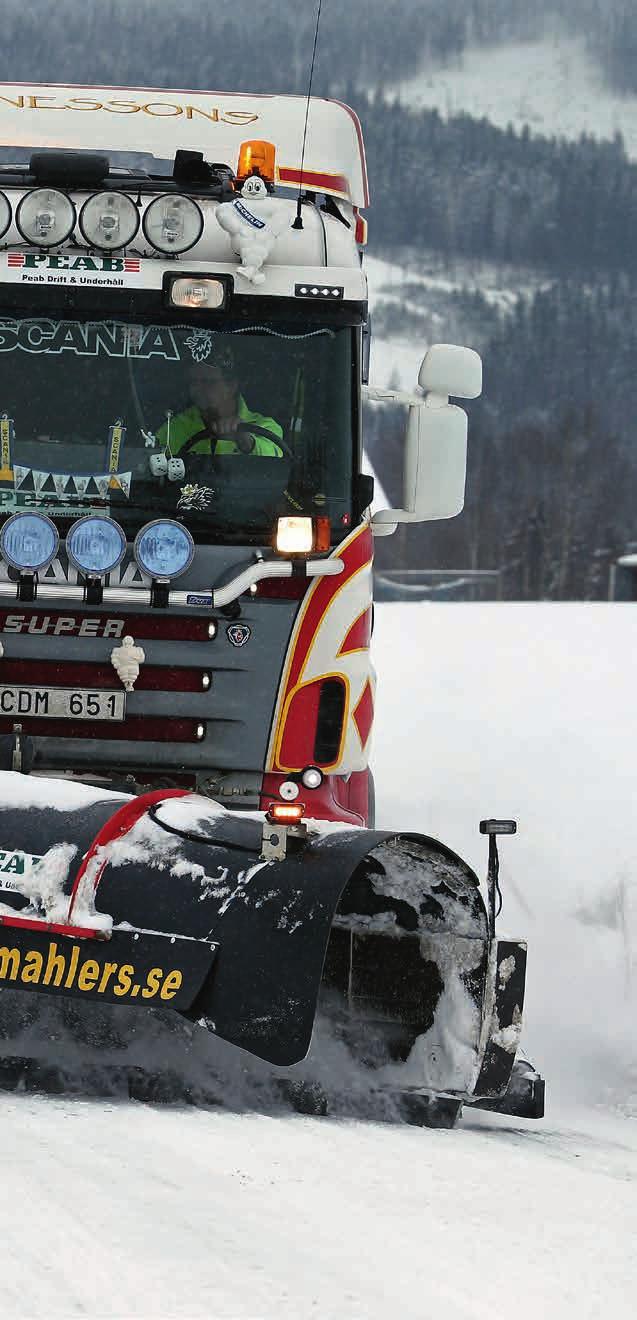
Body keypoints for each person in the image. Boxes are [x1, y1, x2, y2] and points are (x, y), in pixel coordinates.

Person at [157, 345, 284, 459]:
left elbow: (276, 464)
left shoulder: (266, 428)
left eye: (208, 382)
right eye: (194, 382)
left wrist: (246, 441)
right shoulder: (173, 429)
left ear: (232, 386)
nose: (198, 389)